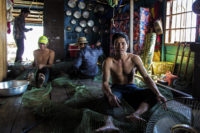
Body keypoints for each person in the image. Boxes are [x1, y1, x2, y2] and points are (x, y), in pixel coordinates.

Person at [95, 32, 167, 132]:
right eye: (117, 43)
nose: (120, 46)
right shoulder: (108, 61)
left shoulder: (134, 58)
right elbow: (105, 83)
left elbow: (146, 77)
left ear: (127, 45)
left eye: (123, 43)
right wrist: (110, 94)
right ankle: (108, 123)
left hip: (131, 88)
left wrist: (158, 93)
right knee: (106, 97)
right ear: (113, 45)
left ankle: (135, 114)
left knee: (153, 94)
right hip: (116, 88)